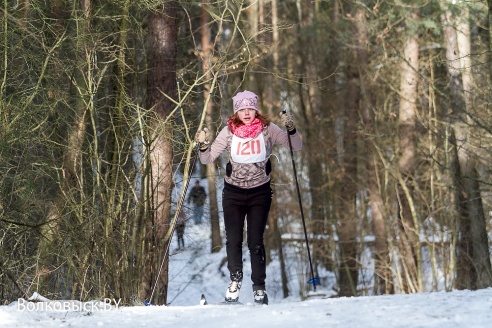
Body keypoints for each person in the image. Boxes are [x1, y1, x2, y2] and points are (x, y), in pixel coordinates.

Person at [194, 90, 302, 305]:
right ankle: (235, 281)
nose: (246, 112)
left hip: (259, 193)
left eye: (250, 108)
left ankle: (259, 288)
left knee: (256, 241)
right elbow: (207, 158)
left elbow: (295, 146)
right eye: (241, 109)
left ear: (256, 109)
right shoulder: (228, 131)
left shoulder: (268, 129)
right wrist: (202, 145)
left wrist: (292, 130)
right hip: (233, 193)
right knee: (233, 239)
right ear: (236, 111)